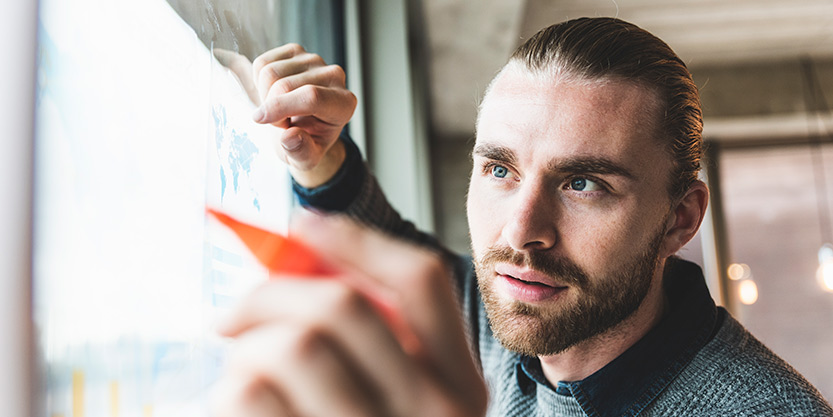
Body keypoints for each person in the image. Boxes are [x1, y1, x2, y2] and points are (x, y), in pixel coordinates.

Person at [212, 17, 833, 416]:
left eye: (584, 183)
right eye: (500, 170)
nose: (520, 231)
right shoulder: (509, 315)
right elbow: (398, 254)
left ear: (680, 219)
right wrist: (320, 156)